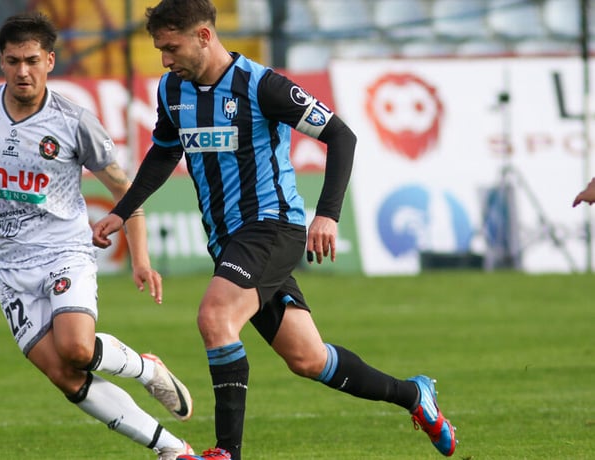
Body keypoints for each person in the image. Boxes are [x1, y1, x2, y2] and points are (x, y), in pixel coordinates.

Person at [91, 1, 457, 459]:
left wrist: (327, 213)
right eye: (160, 49)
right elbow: (165, 153)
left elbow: (341, 135)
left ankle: (227, 452)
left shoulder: (262, 86)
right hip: (229, 241)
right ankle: (414, 395)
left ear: (204, 37)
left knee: (214, 318)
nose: (165, 59)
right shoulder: (171, 90)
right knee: (309, 359)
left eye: (171, 47)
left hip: (273, 227)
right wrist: (123, 211)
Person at [0, 12, 195, 460]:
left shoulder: (74, 121)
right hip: (7, 264)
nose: (22, 71)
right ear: (1, 62)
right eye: (11, 61)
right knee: (63, 375)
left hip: (65, 250)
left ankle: (144, 368)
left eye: (30, 60)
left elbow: (127, 192)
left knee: (78, 349)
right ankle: (173, 450)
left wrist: (140, 259)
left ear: (49, 60)